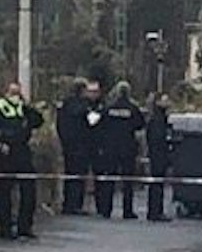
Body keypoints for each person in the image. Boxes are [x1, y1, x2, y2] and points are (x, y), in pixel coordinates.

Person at [0, 81, 44, 240]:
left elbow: (38, 121)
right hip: (4, 155)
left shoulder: (22, 108)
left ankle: (25, 227)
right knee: (5, 192)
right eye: (12, 92)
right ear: (5, 93)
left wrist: (26, 106)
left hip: (22, 151)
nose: (15, 96)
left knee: (29, 189)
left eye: (18, 92)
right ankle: (5, 229)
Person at [92, 81, 145, 219]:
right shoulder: (133, 108)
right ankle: (127, 211)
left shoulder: (108, 108)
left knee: (109, 178)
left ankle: (106, 209)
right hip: (127, 148)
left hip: (110, 148)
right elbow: (140, 125)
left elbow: (97, 124)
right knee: (127, 181)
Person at [55, 79, 94, 214]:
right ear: (82, 90)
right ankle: (76, 204)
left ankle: (68, 204)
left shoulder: (65, 104)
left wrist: (63, 140)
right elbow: (92, 122)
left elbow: (59, 123)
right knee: (79, 175)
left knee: (69, 174)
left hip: (68, 145)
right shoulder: (85, 105)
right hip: (82, 145)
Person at [144, 93, 178, 222]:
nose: (168, 102)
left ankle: (155, 211)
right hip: (158, 155)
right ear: (158, 103)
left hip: (156, 154)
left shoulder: (159, 118)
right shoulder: (158, 119)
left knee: (157, 183)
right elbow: (158, 138)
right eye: (165, 100)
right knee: (156, 183)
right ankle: (155, 212)